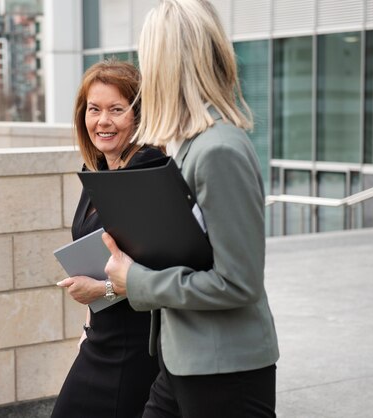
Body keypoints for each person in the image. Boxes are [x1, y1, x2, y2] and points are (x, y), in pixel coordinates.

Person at [101, 1, 280, 417]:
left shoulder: (219, 150)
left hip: (225, 373)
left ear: (165, 64)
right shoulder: (187, 146)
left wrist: (136, 281)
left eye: (148, 59)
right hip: (183, 362)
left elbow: (239, 283)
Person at [51, 59, 163, 418]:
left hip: (134, 349)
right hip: (101, 339)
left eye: (117, 110)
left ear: (139, 116)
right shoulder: (98, 171)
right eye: (94, 109)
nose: (102, 121)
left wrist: (100, 291)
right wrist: (88, 328)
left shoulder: (147, 172)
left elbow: (164, 271)